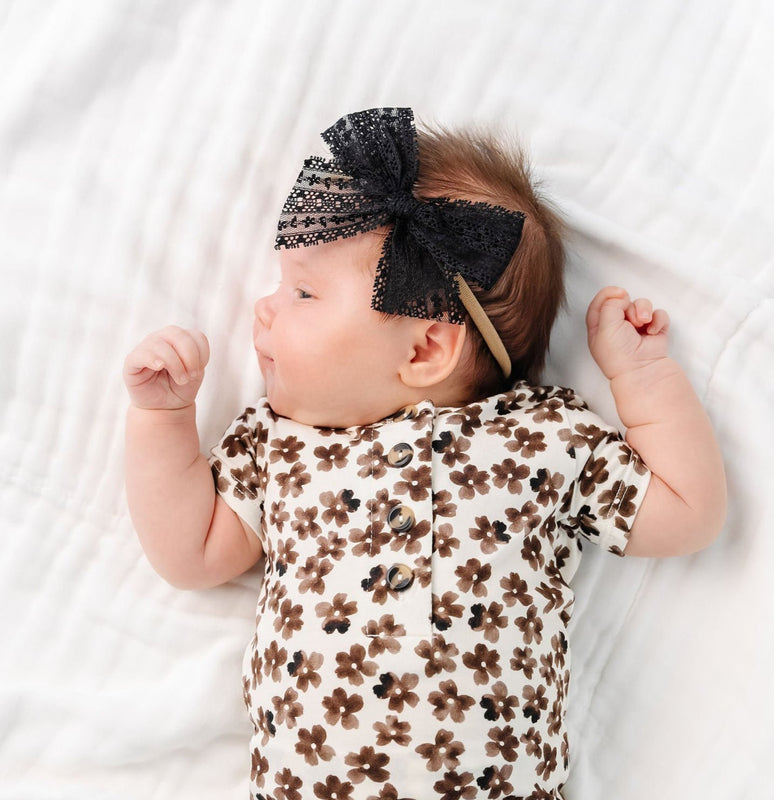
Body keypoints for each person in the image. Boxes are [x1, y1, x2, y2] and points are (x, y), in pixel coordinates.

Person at [123, 108, 726, 800]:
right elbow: (191, 552)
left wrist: (643, 379)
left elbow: (689, 514)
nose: (265, 308)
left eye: (305, 291)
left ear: (425, 350)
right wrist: (162, 419)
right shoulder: (280, 442)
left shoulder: (543, 439)